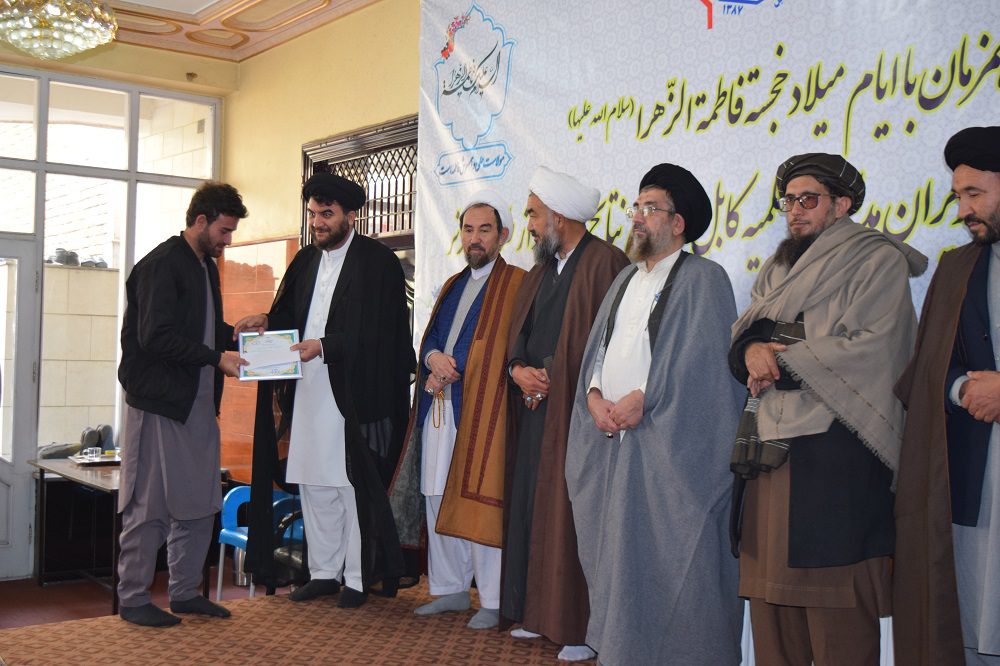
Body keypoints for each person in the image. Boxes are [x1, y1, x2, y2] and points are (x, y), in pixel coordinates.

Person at [728, 153, 927, 664]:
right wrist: (752, 351)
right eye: (789, 200)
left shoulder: (876, 261)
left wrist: (777, 359)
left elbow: (876, 349)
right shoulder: (779, 267)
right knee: (771, 612)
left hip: (837, 461)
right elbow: (751, 330)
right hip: (769, 451)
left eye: (808, 199)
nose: (795, 210)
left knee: (837, 615)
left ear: (842, 205)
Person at [566, 163, 744, 665]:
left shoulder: (705, 279)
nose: (637, 218)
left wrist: (646, 397)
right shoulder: (624, 278)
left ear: (678, 223)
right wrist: (594, 394)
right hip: (612, 445)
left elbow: (705, 372)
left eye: (651, 208)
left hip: (665, 452)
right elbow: (599, 351)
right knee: (616, 561)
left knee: (673, 564)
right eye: (636, 207)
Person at [240, 172, 414, 609]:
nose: (317, 222)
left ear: (351, 215)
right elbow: (289, 314)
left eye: (327, 214)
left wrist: (327, 346)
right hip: (308, 390)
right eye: (314, 214)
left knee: (349, 485)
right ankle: (322, 572)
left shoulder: (377, 262)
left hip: (354, 394)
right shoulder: (305, 260)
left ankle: (356, 577)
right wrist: (267, 321)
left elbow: (383, 334)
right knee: (315, 482)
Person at [502, 166, 630, 662]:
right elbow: (521, 334)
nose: (530, 225)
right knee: (533, 508)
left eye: (534, 215)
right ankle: (537, 615)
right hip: (535, 411)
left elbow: (609, 343)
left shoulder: (605, 262)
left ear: (559, 216)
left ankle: (578, 627)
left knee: (571, 517)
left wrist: (552, 374)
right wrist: (519, 370)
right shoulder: (539, 271)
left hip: (580, 417)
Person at [390, 189, 525, 630]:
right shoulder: (452, 284)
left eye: (484, 230)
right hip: (439, 406)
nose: (475, 238)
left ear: (503, 236)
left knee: (480, 498)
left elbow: (508, 347)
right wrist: (433, 359)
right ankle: (449, 588)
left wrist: (457, 367)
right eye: (468, 230)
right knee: (436, 494)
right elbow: (431, 338)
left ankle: (492, 598)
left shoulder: (517, 284)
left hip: (484, 413)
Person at [117, 181, 248, 627]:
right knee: (150, 505)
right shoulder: (161, 265)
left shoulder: (204, 265)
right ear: (200, 221)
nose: (227, 241)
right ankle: (133, 597)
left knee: (201, 500)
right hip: (160, 405)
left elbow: (199, 329)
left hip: (197, 406)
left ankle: (185, 592)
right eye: (224, 231)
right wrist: (216, 357)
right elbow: (155, 337)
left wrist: (236, 335)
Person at [894, 126, 1000, 665]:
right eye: (958, 196)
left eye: (974, 194)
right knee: (973, 621)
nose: (963, 210)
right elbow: (930, 366)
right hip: (979, 482)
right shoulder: (957, 267)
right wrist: (963, 389)